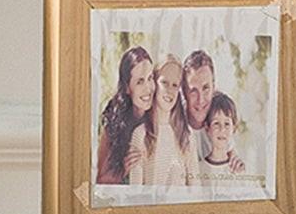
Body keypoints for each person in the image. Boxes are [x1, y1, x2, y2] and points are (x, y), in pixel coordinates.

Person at [127, 57, 199, 190]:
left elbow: (196, 189)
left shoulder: (187, 135)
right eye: (164, 83)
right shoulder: (140, 134)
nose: (170, 90)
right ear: (153, 84)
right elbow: (134, 192)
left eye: (175, 85)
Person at [95, 45, 155, 185]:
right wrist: (122, 170)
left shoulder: (159, 113)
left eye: (150, 78)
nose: (148, 88)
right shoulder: (115, 121)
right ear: (127, 87)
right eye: (140, 81)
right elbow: (98, 179)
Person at [183, 50, 245, 174]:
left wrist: (235, 161)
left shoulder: (218, 120)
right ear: (184, 92)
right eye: (193, 91)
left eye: (206, 88)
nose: (201, 100)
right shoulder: (175, 122)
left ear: (213, 86)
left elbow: (230, 152)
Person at [194, 91, 245, 187]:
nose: (222, 129)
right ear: (207, 128)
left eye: (227, 124)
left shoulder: (239, 170)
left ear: (234, 128)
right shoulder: (198, 169)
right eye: (216, 123)